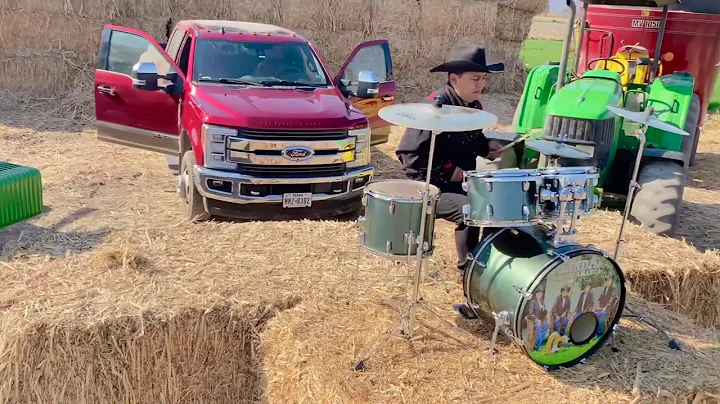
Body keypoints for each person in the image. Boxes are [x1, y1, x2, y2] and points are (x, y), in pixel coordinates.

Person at [396, 44, 506, 276]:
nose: (481, 85)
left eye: (484, 78)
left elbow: (471, 140)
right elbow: (410, 156)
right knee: (471, 208)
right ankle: (467, 270)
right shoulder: (433, 108)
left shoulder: (473, 106)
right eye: (475, 78)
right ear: (454, 79)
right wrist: (448, 172)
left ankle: (490, 266)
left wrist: (487, 147)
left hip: (463, 184)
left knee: (500, 206)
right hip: (430, 186)